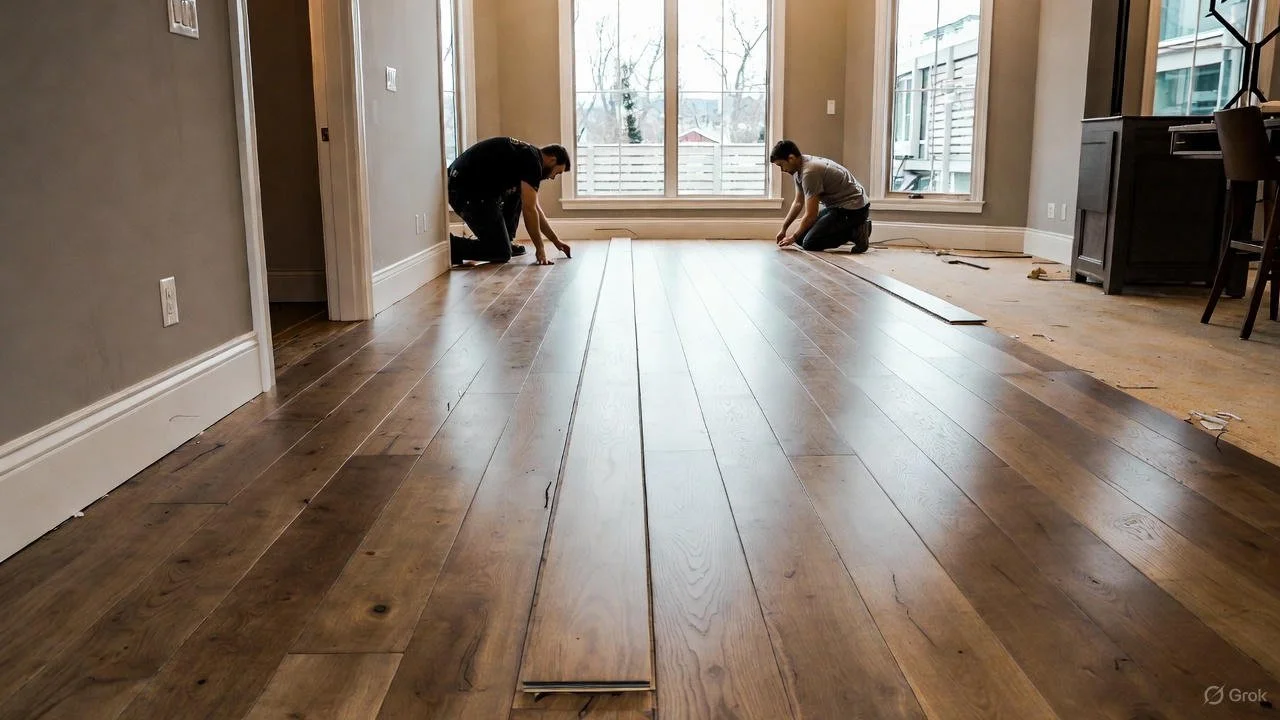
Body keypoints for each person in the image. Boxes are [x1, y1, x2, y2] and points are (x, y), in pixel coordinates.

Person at [447, 137, 573, 266]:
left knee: (519, 193)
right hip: (465, 191)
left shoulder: (528, 156)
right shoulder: (533, 162)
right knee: (500, 252)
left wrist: (555, 241)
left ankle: (506, 241)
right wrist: (540, 249)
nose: (552, 177)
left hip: (470, 188)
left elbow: (534, 208)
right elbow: (529, 210)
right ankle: (450, 245)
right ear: (552, 160)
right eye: (557, 173)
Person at [769, 140, 871, 253]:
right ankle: (851, 228)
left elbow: (811, 215)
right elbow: (798, 203)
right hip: (836, 207)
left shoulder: (809, 172)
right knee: (800, 239)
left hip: (854, 209)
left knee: (810, 243)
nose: (782, 170)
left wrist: (793, 237)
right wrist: (784, 229)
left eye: (781, 165)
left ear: (791, 158)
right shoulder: (798, 169)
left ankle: (856, 231)